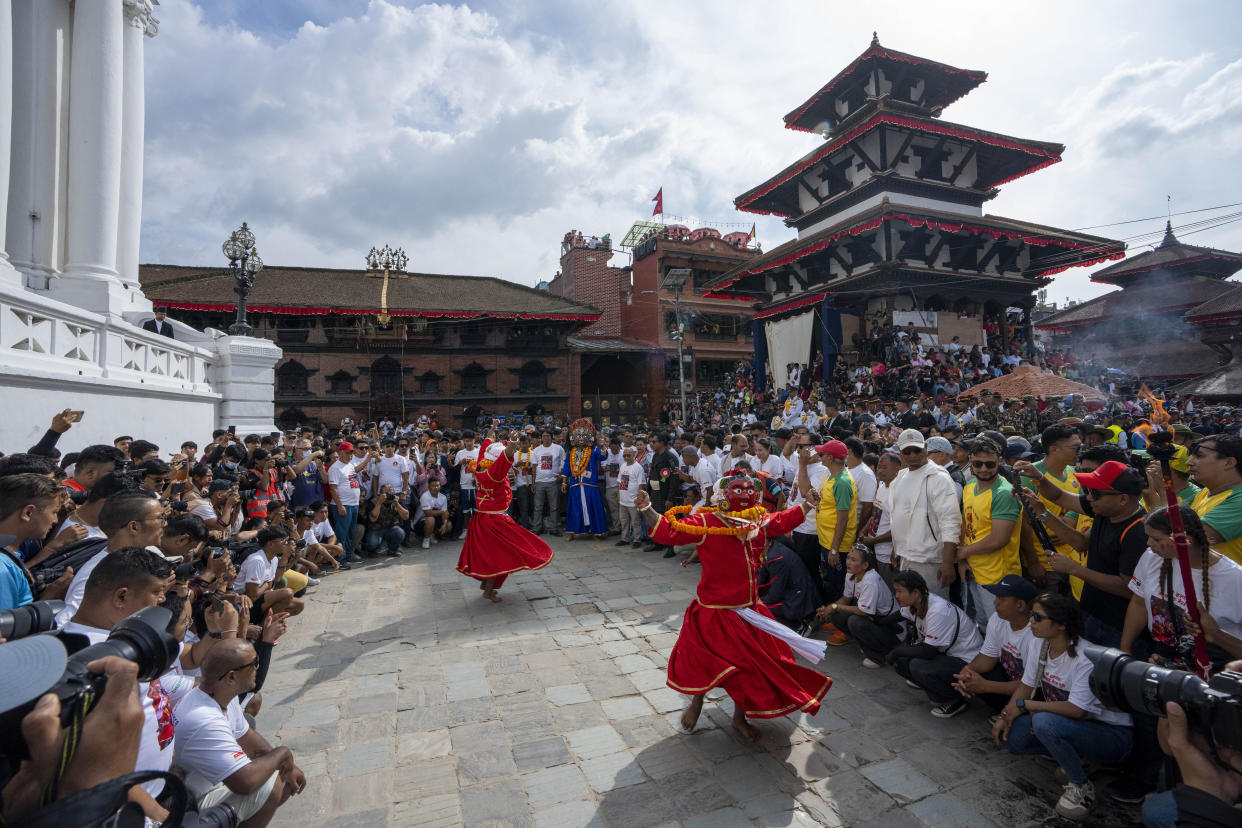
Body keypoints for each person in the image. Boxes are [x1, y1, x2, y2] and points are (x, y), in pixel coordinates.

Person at [635, 475, 831, 740]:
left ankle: (739, 718)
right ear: (722, 498)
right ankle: (696, 703)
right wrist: (647, 509)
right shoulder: (705, 522)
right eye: (737, 493)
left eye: (748, 494)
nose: (743, 499)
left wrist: (807, 504)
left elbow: (783, 520)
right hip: (713, 612)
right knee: (703, 664)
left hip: (749, 611)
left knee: (753, 669)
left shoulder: (757, 521)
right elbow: (670, 533)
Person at [992, 593, 1133, 822]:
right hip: (1076, 725)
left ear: (1060, 625)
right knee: (1013, 737)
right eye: (1031, 615)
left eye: (1038, 617)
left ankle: (1080, 786)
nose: (1031, 622)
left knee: (1044, 722)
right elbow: (1027, 684)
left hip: (1111, 733)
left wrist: (1025, 705)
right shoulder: (1040, 643)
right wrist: (1006, 715)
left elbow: (1078, 710)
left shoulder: (1084, 657)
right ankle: (1079, 758)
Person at [171, 640, 306, 825]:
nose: (258, 667)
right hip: (190, 807)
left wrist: (288, 766)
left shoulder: (220, 694)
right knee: (270, 783)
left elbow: (247, 738)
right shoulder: (204, 718)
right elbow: (245, 782)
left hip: (211, 785)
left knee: (283, 776)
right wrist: (283, 754)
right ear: (231, 677)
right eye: (254, 663)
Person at [456, 427, 554, 602]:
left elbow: (486, 445)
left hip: (481, 519)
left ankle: (487, 585)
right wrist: (512, 444)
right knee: (502, 555)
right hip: (495, 521)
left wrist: (492, 431)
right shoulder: (495, 472)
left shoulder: (480, 467)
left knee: (492, 554)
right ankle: (488, 589)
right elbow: (504, 459)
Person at [885, 570, 983, 718]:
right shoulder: (917, 602)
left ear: (916, 592)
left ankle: (953, 701)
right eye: (896, 591)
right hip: (947, 656)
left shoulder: (937, 610)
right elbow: (898, 615)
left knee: (917, 664)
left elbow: (928, 652)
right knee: (903, 662)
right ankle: (929, 683)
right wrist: (875, 621)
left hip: (967, 661)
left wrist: (896, 652)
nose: (897, 596)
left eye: (900, 591)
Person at [958, 439, 1023, 630]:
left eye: (990, 464)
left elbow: (998, 540)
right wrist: (963, 559)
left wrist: (962, 553)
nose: (984, 469)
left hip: (998, 577)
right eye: (978, 464)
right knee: (983, 625)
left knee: (1000, 631)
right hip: (975, 571)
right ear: (970, 462)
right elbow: (966, 522)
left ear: (1000, 461)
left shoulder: (1004, 493)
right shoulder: (970, 486)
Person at [888, 429, 961, 598]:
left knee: (932, 608)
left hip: (930, 560)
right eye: (907, 451)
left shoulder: (939, 478)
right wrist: (896, 546)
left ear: (926, 447)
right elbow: (899, 516)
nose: (912, 455)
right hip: (905, 557)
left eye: (917, 450)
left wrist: (948, 562)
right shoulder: (900, 477)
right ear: (900, 453)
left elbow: (950, 521)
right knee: (911, 607)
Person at [951, 574, 1037, 710]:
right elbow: (987, 657)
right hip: (1009, 680)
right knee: (970, 675)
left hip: (1034, 693)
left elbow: (1031, 686)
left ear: (1020, 605)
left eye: (1002, 599)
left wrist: (985, 686)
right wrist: (968, 671)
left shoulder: (1037, 634)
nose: (995, 602)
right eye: (996, 597)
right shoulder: (998, 619)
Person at [816, 544, 899, 663]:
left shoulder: (871, 580)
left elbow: (863, 611)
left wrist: (835, 606)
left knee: (855, 621)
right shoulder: (851, 574)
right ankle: (859, 638)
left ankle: (879, 656)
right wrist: (828, 609)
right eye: (848, 558)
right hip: (874, 620)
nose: (848, 562)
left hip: (892, 628)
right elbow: (846, 598)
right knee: (836, 615)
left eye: (853, 560)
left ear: (865, 565)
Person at [1186, 435, 1242, 564]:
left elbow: (1188, 541)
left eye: (1199, 456)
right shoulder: (1205, 492)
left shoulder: (1239, 500)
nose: (1189, 462)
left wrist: (1160, 490)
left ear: (1228, 462)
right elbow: (1168, 518)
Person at [561, 419, 608, 541]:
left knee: (593, 508)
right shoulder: (571, 452)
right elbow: (566, 467)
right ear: (573, 437)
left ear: (589, 437)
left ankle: (595, 532)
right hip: (575, 484)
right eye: (578, 435)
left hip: (590, 485)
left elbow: (602, 456)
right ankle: (572, 532)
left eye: (584, 435)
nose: (581, 438)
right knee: (574, 508)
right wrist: (563, 482)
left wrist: (603, 447)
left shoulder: (593, 450)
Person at [327, 441, 369, 563]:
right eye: (348, 453)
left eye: (352, 453)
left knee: (351, 532)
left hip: (353, 504)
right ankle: (340, 558)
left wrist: (367, 460)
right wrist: (340, 506)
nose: (350, 455)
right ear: (341, 453)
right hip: (343, 505)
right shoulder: (335, 468)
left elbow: (356, 470)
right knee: (342, 533)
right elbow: (333, 489)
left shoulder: (350, 465)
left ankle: (349, 554)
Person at [644, 432, 681, 558]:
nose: (652, 444)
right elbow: (652, 473)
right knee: (656, 519)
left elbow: (673, 479)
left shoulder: (669, 457)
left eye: (654, 441)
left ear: (662, 443)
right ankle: (658, 542)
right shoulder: (655, 456)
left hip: (664, 493)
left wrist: (670, 498)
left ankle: (671, 546)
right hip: (655, 492)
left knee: (668, 520)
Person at [530, 429, 564, 536]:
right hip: (539, 482)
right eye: (544, 436)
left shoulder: (558, 449)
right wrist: (534, 483)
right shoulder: (536, 450)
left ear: (552, 437)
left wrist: (560, 477)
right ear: (541, 438)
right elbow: (534, 467)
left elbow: (563, 463)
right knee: (538, 506)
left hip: (553, 482)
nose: (546, 438)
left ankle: (553, 528)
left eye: (548, 436)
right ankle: (536, 528)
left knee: (554, 507)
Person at [364, 484, 408, 558]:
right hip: (376, 529)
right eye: (387, 493)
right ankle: (372, 551)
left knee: (400, 533)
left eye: (391, 492)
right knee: (372, 542)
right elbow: (372, 518)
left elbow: (406, 517)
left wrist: (397, 504)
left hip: (391, 528)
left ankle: (393, 549)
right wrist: (379, 503)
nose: (389, 495)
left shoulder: (396, 500)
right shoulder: (373, 502)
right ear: (380, 494)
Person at [616, 446, 646, 549]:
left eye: (629, 455)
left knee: (635, 521)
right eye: (624, 455)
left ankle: (637, 539)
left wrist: (639, 498)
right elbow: (619, 482)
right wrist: (618, 496)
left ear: (633, 455)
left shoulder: (638, 467)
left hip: (633, 500)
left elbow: (640, 485)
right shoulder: (623, 466)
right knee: (623, 521)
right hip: (623, 500)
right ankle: (624, 538)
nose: (626, 457)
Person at [417, 478, 453, 549]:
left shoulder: (443, 497)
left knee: (449, 526)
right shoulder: (425, 496)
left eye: (438, 485)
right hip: (421, 521)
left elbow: (445, 513)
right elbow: (427, 513)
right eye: (433, 486)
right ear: (429, 487)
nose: (436, 487)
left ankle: (432, 534)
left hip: (435, 519)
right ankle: (426, 539)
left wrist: (444, 524)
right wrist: (442, 512)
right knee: (431, 519)